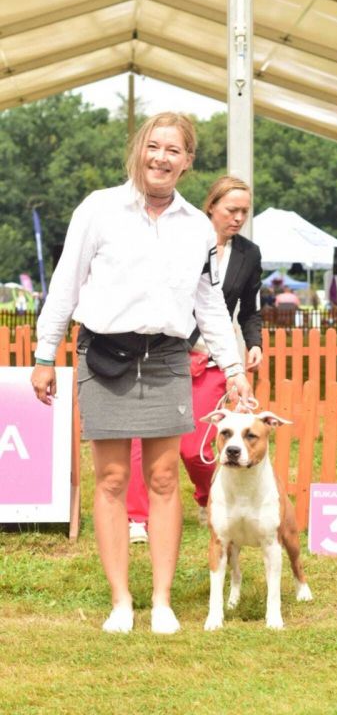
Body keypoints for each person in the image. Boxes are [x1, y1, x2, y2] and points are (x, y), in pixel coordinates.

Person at [30, 112, 252, 635]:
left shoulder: (196, 227)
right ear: (139, 150)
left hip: (167, 357)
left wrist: (233, 367)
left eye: (173, 150)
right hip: (104, 355)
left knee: (164, 477)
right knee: (110, 479)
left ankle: (162, 602)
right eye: (154, 146)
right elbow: (66, 283)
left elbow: (208, 303)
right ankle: (121, 602)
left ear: (187, 161)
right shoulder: (98, 209)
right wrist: (45, 354)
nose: (161, 158)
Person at [127, 175, 263, 537]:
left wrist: (254, 342)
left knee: (194, 447)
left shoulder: (248, 254)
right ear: (211, 207)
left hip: (213, 360)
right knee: (142, 438)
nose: (238, 218)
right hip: (163, 353)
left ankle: (207, 497)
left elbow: (249, 309)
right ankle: (136, 518)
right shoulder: (182, 240)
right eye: (231, 210)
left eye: (245, 211)